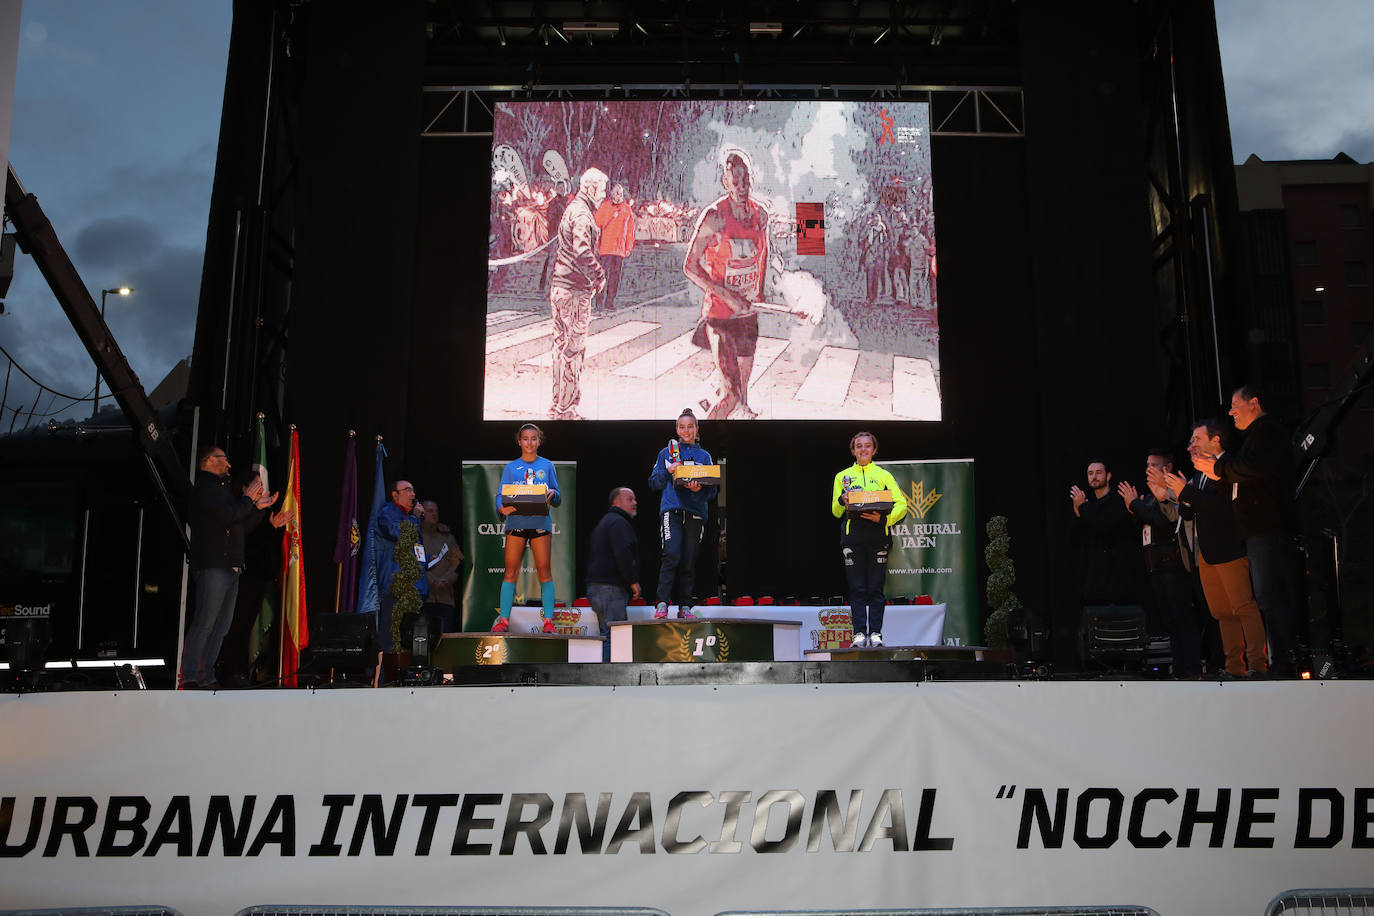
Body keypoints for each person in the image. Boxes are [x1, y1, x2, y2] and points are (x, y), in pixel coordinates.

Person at [1193, 384, 1299, 676]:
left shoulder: (1266, 433)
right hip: (1253, 532)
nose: (1230, 412)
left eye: (1235, 406)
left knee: (1266, 598)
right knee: (1258, 599)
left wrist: (1218, 470)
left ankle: (1278, 662)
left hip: (1266, 528)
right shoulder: (1253, 438)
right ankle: (1267, 662)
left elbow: (1249, 470)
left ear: (1253, 403)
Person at [1162, 420, 1268, 677]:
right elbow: (1189, 512)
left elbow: (1222, 508)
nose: (1190, 446)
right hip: (1207, 552)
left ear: (1215, 440)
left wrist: (1185, 491)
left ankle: (1257, 665)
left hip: (1230, 548)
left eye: (1196, 439)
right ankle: (1234, 667)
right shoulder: (1199, 474)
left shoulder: (1228, 468)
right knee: (1221, 612)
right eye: (1190, 441)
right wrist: (1175, 493)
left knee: (1243, 606)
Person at [183, 445, 280, 688]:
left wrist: (258, 508)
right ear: (208, 461)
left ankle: (207, 677)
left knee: (221, 626)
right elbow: (230, 516)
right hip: (214, 566)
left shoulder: (221, 491)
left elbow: (240, 526)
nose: (228, 465)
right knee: (205, 622)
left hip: (231, 567)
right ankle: (191, 676)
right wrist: (248, 500)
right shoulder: (205, 489)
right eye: (223, 460)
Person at [684, 148, 769, 420]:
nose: (742, 187)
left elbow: (763, 254)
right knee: (730, 396)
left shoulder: (761, 215)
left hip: (747, 316)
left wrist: (760, 291)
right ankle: (699, 457)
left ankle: (715, 400)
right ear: (726, 182)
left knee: (741, 392)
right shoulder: (714, 216)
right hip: (720, 316)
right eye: (736, 182)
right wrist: (726, 295)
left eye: (746, 181)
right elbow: (690, 266)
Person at [1119, 449, 1202, 678]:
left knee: (1181, 617)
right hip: (1156, 565)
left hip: (1173, 564)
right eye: (1146, 465)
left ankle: (1191, 668)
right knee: (1170, 620)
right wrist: (1134, 508)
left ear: (1166, 469)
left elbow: (1166, 522)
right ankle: (1182, 668)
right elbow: (1147, 525)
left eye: (1153, 465)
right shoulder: (1152, 495)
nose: (1148, 469)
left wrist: (1135, 505)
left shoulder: (1171, 492)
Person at [830, 431, 908, 647]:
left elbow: (901, 504)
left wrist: (883, 520)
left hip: (877, 536)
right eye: (858, 446)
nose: (863, 450)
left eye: (867, 446)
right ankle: (858, 634)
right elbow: (836, 511)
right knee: (857, 588)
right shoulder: (842, 477)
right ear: (853, 450)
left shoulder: (884, 476)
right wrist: (842, 499)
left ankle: (875, 633)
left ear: (874, 450)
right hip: (852, 537)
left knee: (875, 587)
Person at [548, 167, 609, 420]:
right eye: (602, 189)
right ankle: (566, 410)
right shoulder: (583, 214)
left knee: (560, 347)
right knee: (573, 350)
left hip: (560, 287)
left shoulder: (573, 208)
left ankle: (557, 405)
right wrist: (599, 274)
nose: (604, 195)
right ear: (591, 188)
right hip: (574, 291)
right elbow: (583, 251)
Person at [647, 408, 717, 618]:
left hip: (695, 513)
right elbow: (653, 483)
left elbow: (713, 490)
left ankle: (685, 606)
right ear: (677, 429)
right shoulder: (666, 453)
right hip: (672, 510)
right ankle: (662, 603)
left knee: (689, 560)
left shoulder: (704, 456)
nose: (686, 431)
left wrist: (700, 489)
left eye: (690, 427)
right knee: (671, 555)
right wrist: (668, 472)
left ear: (697, 429)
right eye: (682, 427)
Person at [492, 423, 562, 632]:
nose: (530, 442)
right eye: (526, 438)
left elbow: (557, 496)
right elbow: (500, 495)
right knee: (511, 570)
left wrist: (552, 493)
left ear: (539, 441)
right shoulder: (511, 467)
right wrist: (501, 508)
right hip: (517, 522)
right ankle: (504, 620)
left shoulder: (547, 465)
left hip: (540, 523)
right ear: (519, 441)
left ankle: (548, 621)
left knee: (544, 570)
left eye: (534, 438)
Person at [1068, 460, 1137, 607]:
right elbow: (1076, 539)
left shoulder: (1118, 500)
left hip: (1117, 578)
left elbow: (1105, 526)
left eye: (1099, 472)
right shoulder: (1090, 504)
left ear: (1108, 476)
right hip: (1095, 577)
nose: (1094, 477)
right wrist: (1079, 513)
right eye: (1090, 473)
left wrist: (1083, 507)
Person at [586, 487, 641, 660]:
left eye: (634, 499)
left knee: (607, 635)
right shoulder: (618, 523)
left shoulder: (608, 521)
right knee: (615, 637)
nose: (635, 503)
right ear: (616, 502)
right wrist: (633, 581)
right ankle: (611, 682)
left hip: (598, 588)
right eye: (630, 499)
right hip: (610, 589)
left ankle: (607, 681)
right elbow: (622, 553)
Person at [375, 479, 429, 650]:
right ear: (395, 495)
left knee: (409, 638)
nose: (412, 494)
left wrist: (428, 560)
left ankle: (404, 674)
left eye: (413, 490)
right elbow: (401, 535)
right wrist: (415, 517)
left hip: (414, 589)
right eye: (407, 490)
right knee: (390, 636)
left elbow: (413, 551)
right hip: (396, 587)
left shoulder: (409, 518)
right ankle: (383, 676)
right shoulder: (388, 513)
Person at [420, 499, 464, 634]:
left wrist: (445, 580)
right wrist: (432, 581)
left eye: (436, 511)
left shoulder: (447, 537)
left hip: (445, 599)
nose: (434, 514)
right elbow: (415, 563)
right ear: (422, 513)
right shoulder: (416, 536)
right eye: (430, 511)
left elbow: (457, 563)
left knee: (444, 638)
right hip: (423, 599)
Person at [594, 181, 635, 312]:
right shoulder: (605, 206)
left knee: (615, 278)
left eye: (620, 193)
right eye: (616, 193)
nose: (618, 195)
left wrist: (629, 247)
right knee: (602, 276)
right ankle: (598, 301)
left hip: (619, 249)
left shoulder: (627, 209)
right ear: (611, 193)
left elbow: (630, 230)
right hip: (605, 248)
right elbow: (597, 222)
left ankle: (610, 302)